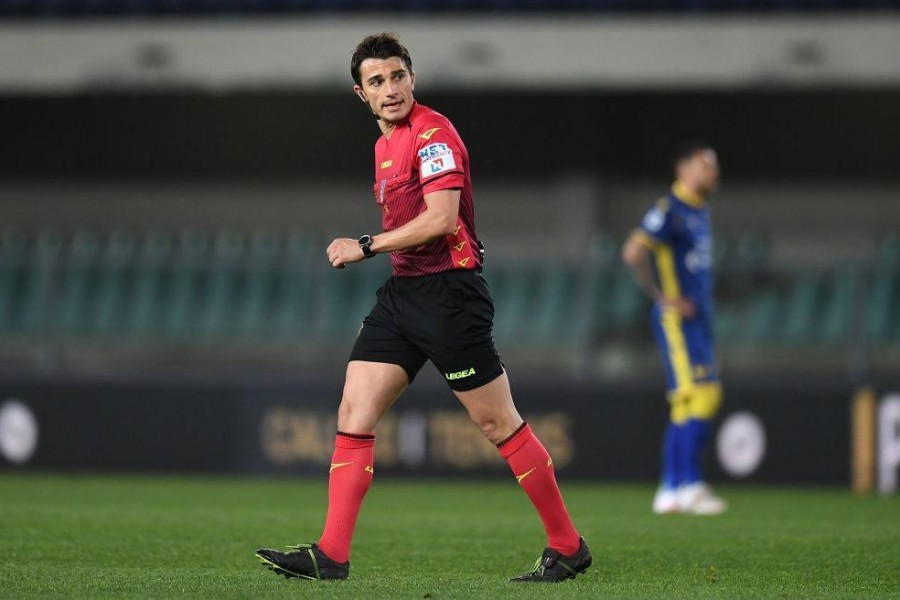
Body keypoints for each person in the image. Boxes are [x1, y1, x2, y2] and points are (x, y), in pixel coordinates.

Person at [256, 32, 591, 583]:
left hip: (449, 294)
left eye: (397, 76)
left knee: (496, 423)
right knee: (353, 412)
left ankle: (567, 544)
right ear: (360, 94)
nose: (389, 89)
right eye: (376, 81)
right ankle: (332, 554)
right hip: (403, 295)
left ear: (412, 77)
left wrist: (363, 245)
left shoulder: (433, 134)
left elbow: (441, 220)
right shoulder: (383, 147)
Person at [621, 140, 727, 515]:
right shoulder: (670, 209)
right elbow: (634, 251)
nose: (711, 174)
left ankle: (677, 488)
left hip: (698, 319)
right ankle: (681, 486)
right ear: (683, 169)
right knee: (697, 396)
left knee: (694, 401)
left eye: (712, 167)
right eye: (704, 166)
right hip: (677, 320)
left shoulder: (700, 211)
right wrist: (661, 297)